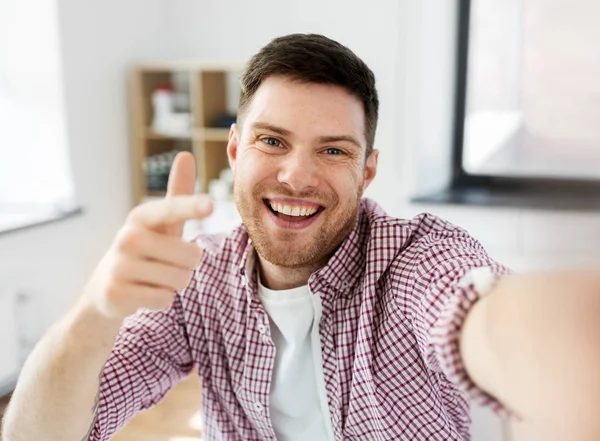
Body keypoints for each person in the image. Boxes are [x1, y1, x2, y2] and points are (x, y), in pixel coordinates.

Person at [3, 33, 600, 441]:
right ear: (235, 148)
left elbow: (483, 319)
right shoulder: (199, 277)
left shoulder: (417, 258)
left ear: (367, 170)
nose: (296, 176)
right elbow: (37, 432)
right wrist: (93, 311)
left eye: (333, 150)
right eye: (272, 141)